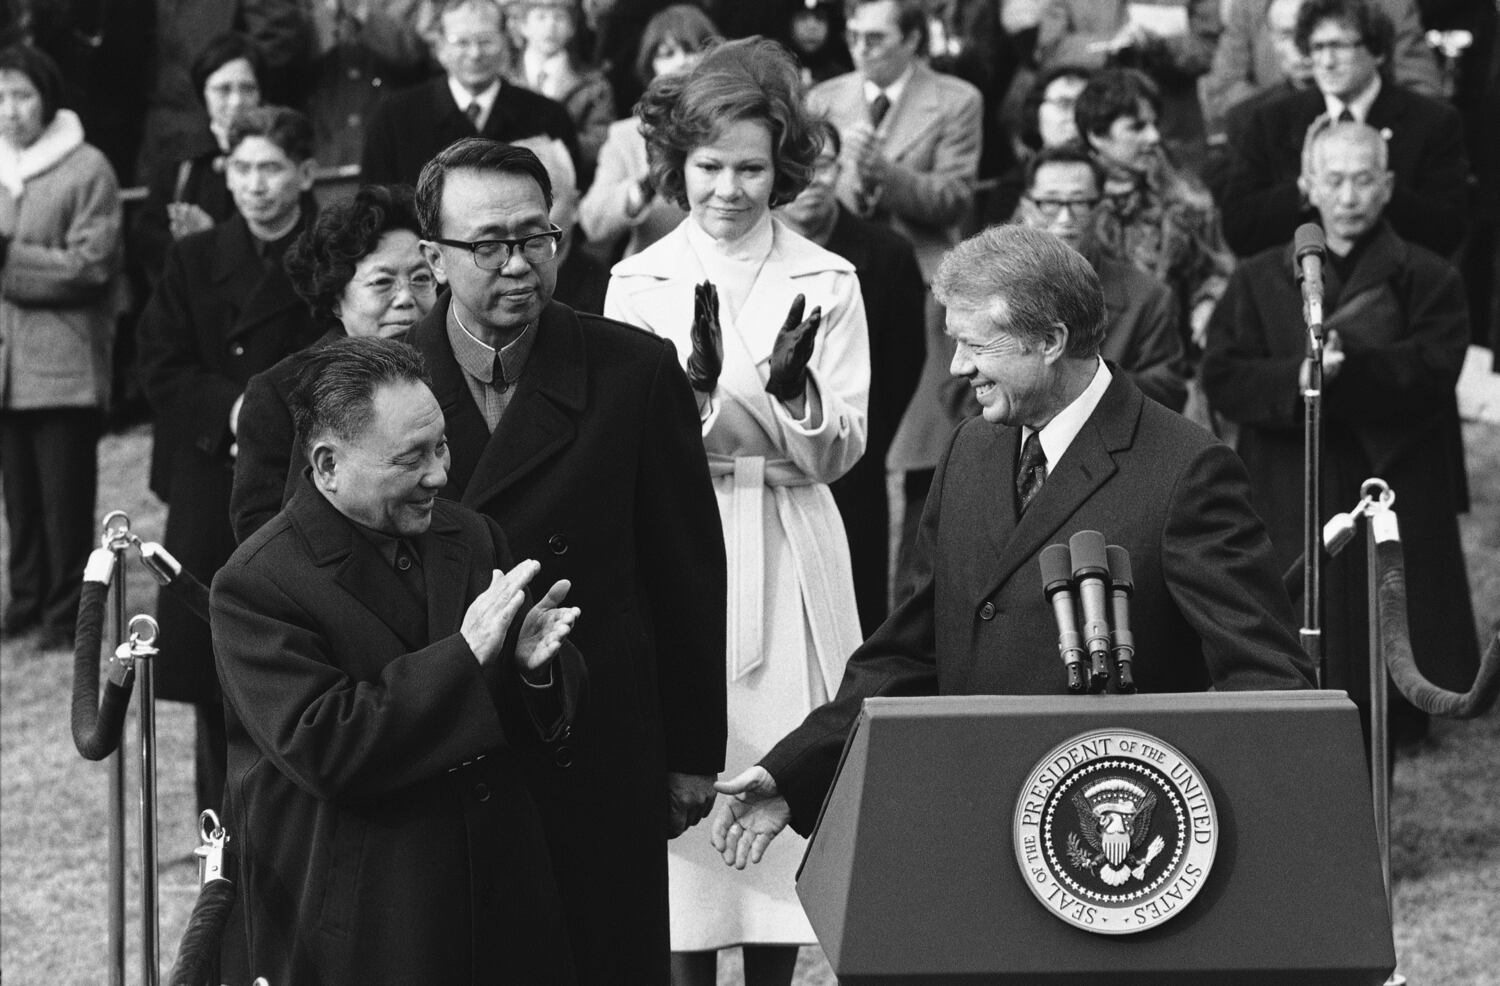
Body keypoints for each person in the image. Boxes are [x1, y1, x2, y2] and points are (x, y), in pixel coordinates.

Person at [708, 223, 1315, 864]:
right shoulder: (971, 448)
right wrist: (795, 770)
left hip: (1111, 848)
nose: (957, 366)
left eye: (977, 345)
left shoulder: (1185, 472)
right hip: (975, 821)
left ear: (1052, 340)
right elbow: (911, 650)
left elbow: (1268, 681)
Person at [409, 137, 727, 986]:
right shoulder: (380, 382)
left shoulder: (633, 369)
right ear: (433, 259)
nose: (517, 265)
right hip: (444, 736)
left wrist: (693, 751)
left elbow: (686, 571)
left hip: (598, 737)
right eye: (487, 246)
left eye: (535, 237)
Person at [605, 40, 869, 985]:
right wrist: (701, 398)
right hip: (680, 541)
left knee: (778, 767)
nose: (729, 188)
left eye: (752, 167)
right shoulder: (638, 282)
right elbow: (629, 442)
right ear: (678, 166)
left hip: (787, 538)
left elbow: (843, 448)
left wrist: (796, 400)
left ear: (784, 166)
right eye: (710, 167)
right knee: (685, 759)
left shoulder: (827, 279)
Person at [211, 336, 585, 985]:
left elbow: (529, 712)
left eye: (440, 445)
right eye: (411, 457)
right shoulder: (258, 586)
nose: (439, 473)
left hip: (503, 909)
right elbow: (327, 743)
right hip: (378, 927)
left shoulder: (469, 535)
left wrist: (534, 672)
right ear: (327, 465)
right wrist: (465, 656)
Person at [1202, 120, 1479, 745]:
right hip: (1286, 465)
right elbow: (1224, 373)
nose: (1348, 197)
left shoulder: (1430, 275)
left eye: (1363, 180)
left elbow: (1436, 368)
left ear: (1387, 187)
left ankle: (1399, 716)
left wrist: (1352, 365)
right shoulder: (1257, 277)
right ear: (1307, 185)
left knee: (1388, 599)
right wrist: (1298, 375)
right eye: (1334, 180)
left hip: (1391, 466)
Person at [136, 105, 322, 820]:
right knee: (218, 661)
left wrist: (279, 415)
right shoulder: (195, 259)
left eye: (271, 167)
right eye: (240, 169)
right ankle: (221, 830)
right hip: (214, 481)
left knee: (295, 657)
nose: (255, 185)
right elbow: (161, 363)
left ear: (305, 173)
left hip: (300, 478)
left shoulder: (323, 257)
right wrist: (237, 410)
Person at [807, 0, 982, 593]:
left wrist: (885, 170)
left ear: (912, 38)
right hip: (841, 266)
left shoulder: (957, 99)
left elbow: (954, 199)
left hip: (922, 278)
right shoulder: (825, 97)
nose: (861, 48)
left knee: (908, 442)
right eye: (853, 35)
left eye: (877, 38)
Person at [777, 119, 923, 636]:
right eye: (801, 167)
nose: (814, 179)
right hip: (767, 456)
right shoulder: (755, 254)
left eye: (825, 165)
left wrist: (862, 428)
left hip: (856, 448)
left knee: (857, 599)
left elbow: (904, 363)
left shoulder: (887, 254)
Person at [0, 43, 124, 650]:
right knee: (19, 500)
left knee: (63, 502)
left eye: (20, 95)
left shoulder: (87, 167)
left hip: (65, 362)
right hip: (5, 367)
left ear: (47, 96)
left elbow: (91, 266)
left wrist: (9, 259)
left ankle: (64, 613)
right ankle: (25, 598)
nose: (8, 110)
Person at [230, 183, 439, 543]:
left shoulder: (451, 369)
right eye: (382, 282)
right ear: (336, 297)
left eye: (421, 279)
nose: (406, 298)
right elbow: (261, 537)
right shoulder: (280, 393)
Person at [1218, 0, 1470, 258]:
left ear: (1377, 51)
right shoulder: (1272, 122)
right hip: (1298, 286)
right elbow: (1238, 228)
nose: (1327, 62)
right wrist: (1305, 190)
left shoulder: (1432, 122)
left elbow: (1448, 230)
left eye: (1340, 46)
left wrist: (1377, 190)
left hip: (1399, 283)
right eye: (1317, 47)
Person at [1015, 145, 1187, 411]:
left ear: (1100, 209)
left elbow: (1168, 390)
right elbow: (958, 391)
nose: (1065, 218)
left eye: (1080, 203)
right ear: (1027, 206)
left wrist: (1076, 387)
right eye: (1049, 203)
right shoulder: (983, 288)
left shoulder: (1147, 296)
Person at [1078, 67, 1234, 359]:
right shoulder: (1065, 195)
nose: (1153, 137)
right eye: (1136, 127)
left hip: (1169, 353)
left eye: (1154, 124)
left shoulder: (1185, 196)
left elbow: (1218, 267)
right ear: (1097, 135)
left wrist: (1209, 303)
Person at [359, 0, 580, 185]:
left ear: (505, 41)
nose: (475, 53)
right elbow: (376, 207)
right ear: (440, 47)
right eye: (461, 42)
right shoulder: (394, 118)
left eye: (486, 41)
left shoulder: (548, 117)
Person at [576, 4, 715, 261]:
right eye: (667, 53)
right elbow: (592, 223)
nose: (682, 62)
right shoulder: (627, 136)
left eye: (692, 50)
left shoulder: (735, 128)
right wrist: (642, 189)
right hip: (654, 274)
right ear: (651, 68)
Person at [1200, 0, 1439, 140]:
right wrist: (1288, 116)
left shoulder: (1389, 5)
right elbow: (1223, 89)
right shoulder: (1251, 5)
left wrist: (1355, 120)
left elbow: (1423, 91)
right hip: (1279, 154)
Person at [130, 32, 262, 285]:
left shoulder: (277, 151)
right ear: (204, 93)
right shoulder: (182, 157)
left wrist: (211, 237)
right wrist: (189, 245)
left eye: (247, 88)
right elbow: (146, 235)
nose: (236, 102)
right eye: (223, 90)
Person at [1036, 0, 1222, 171]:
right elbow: (1051, 49)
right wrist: (1112, 43)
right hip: (1094, 133)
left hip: (1174, 134)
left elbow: (1209, 48)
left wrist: (1161, 45)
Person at [509, 0, 615, 182]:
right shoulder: (505, 78)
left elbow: (601, 140)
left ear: (572, 28)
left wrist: (553, 150)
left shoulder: (593, 84)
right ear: (523, 26)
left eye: (559, 18)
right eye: (541, 17)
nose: (551, 26)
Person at [981, 62, 1091, 226]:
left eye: (1085, 106)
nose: (1075, 117)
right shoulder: (1014, 186)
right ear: (1036, 111)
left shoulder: (1110, 179)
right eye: (1064, 104)